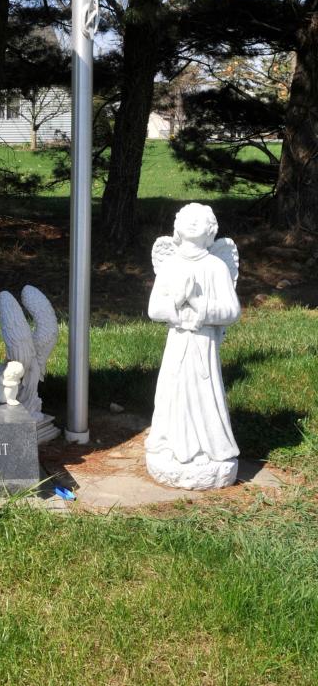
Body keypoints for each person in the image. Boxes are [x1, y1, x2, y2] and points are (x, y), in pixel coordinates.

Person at [145, 203, 241, 489]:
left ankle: (206, 449)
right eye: (186, 218)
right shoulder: (171, 264)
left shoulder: (216, 266)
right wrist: (177, 301)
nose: (192, 223)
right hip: (178, 343)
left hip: (203, 345)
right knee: (172, 393)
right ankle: (171, 445)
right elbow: (154, 308)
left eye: (200, 220)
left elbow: (232, 311)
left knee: (203, 394)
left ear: (211, 230)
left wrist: (200, 306)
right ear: (177, 226)